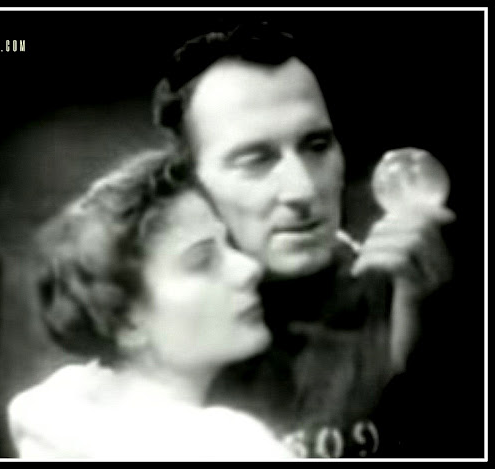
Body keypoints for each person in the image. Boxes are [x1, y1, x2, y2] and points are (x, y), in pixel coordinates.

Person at [152, 23, 458, 457]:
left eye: (316, 145)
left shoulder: (415, 298)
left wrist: (427, 352)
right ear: (191, 185)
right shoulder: (148, 339)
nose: (302, 189)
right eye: (255, 160)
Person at [7, 149, 297, 460]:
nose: (249, 268)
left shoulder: (55, 415)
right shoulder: (229, 445)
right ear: (126, 320)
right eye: (202, 261)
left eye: (229, 245)